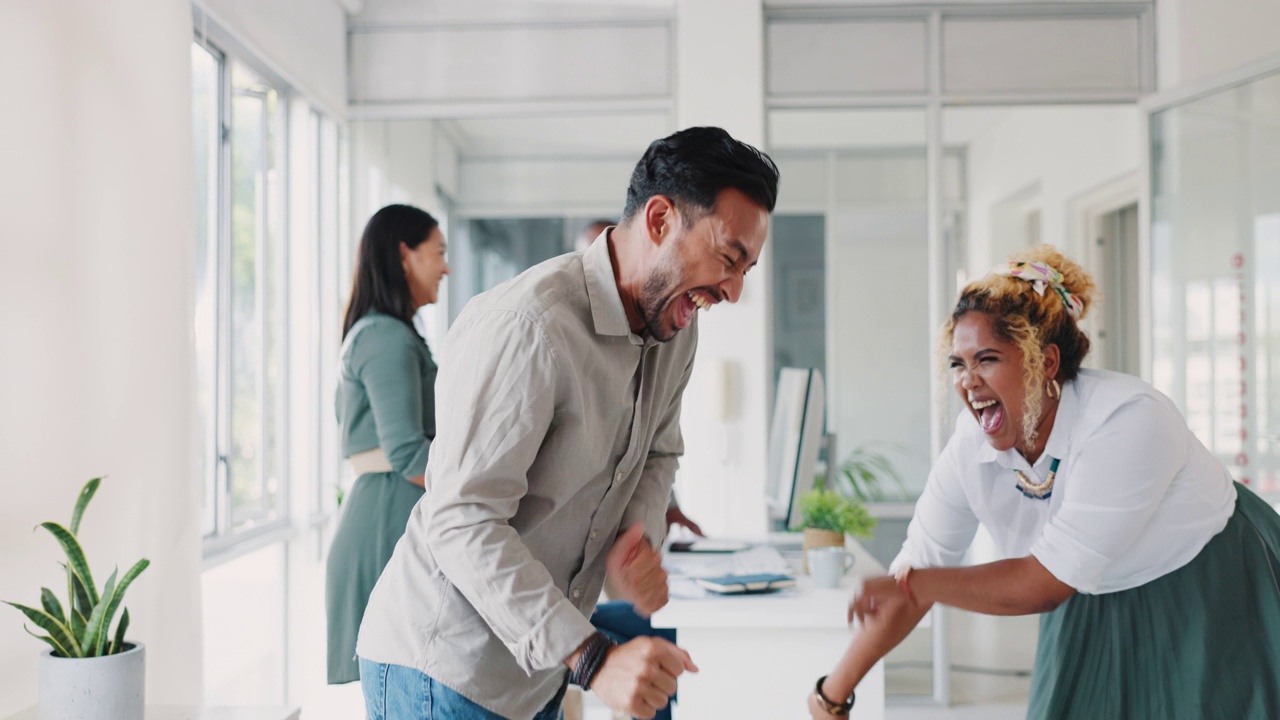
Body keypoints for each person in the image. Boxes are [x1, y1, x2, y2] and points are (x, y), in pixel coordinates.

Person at [356, 126, 780, 720]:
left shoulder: (674, 333)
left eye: (747, 271)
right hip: (444, 667)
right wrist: (593, 659)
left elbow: (659, 453)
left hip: (534, 670)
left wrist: (636, 544)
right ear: (659, 220)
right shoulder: (527, 326)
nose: (733, 291)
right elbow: (462, 519)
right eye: (729, 260)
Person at [809, 245, 1280, 719]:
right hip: (1087, 588)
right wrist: (831, 696)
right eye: (958, 364)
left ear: (1047, 363)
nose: (967, 382)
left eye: (987, 359)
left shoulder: (1127, 421)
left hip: (1208, 578)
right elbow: (912, 579)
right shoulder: (970, 448)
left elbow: (1040, 585)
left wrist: (922, 585)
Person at [325, 204, 449, 685]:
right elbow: (406, 454)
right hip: (386, 526)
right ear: (404, 255)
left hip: (391, 516)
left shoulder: (390, 335)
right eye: (437, 252)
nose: (445, 266)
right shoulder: (385, 338)